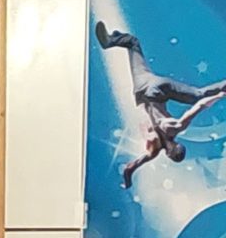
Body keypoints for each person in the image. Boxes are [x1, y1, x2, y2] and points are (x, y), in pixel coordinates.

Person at [97, 20, 226, 188]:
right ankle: (112, 40)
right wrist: (127, 183)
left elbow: (199, 106)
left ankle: (111, 39)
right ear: (168, 154)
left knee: (198, 95)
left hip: (156, 90)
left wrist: (219, 96)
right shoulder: (153, 151)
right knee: (132, 43)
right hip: (141, 90)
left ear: (176, 146)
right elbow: (129, 169)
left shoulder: (175, 127)